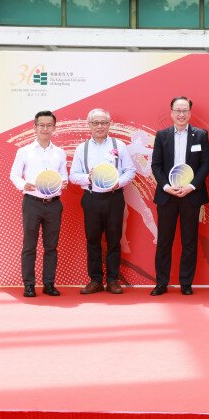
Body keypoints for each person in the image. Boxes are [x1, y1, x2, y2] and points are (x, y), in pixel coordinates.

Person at [69, 108, 137, 294]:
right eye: (96, 123)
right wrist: (88, 179)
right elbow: (73, 175)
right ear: (89, 125)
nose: (100, 126)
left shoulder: (119, 145)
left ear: (109, 124)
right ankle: (96, 280)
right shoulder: (81, 148)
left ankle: (113, 280)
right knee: (93, 240)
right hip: (91, 198)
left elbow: (130, 171)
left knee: (114, 240)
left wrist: (118, 183)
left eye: (103, 122)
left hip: (114, 198)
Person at [150, 96, 209, 296]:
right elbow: (156, 166)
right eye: (178, 110)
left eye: (185, 110)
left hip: (191, 195)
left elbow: (205, 165)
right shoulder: (162, 135)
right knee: (164, 241)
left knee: (189, 241)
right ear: (172, 113)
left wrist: (192, 186)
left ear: (190, 113)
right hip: (167, 195)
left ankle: (186, 283)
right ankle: (161, 283)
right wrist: (166, 186)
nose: (181, 114)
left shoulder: (200, 135)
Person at [9, 110, 69, 298]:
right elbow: (14, 174)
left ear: (54, 128)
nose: (45, 128)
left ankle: (49, 284)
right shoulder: (24, 151)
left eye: (49, 125)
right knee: (29, 246)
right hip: (32, 202)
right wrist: (22, 184)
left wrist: (64, 182)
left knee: (51, 247)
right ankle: (28, 285)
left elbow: (64, 176)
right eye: (41, 125)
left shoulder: (60, 152)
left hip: (53, 204)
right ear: (35, 127)